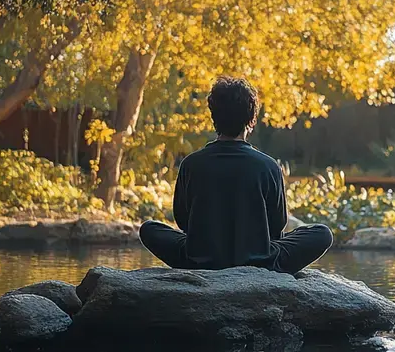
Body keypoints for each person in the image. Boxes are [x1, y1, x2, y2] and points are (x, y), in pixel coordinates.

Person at [139, 76, 333, 273]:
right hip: (259, 261)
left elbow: (183, 221)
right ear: (251, 119)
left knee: (149, 229)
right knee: (322, 234)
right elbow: (277, 226)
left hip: (199, 259)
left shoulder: (191, 164)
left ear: (214, 116)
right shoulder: (268, 166)